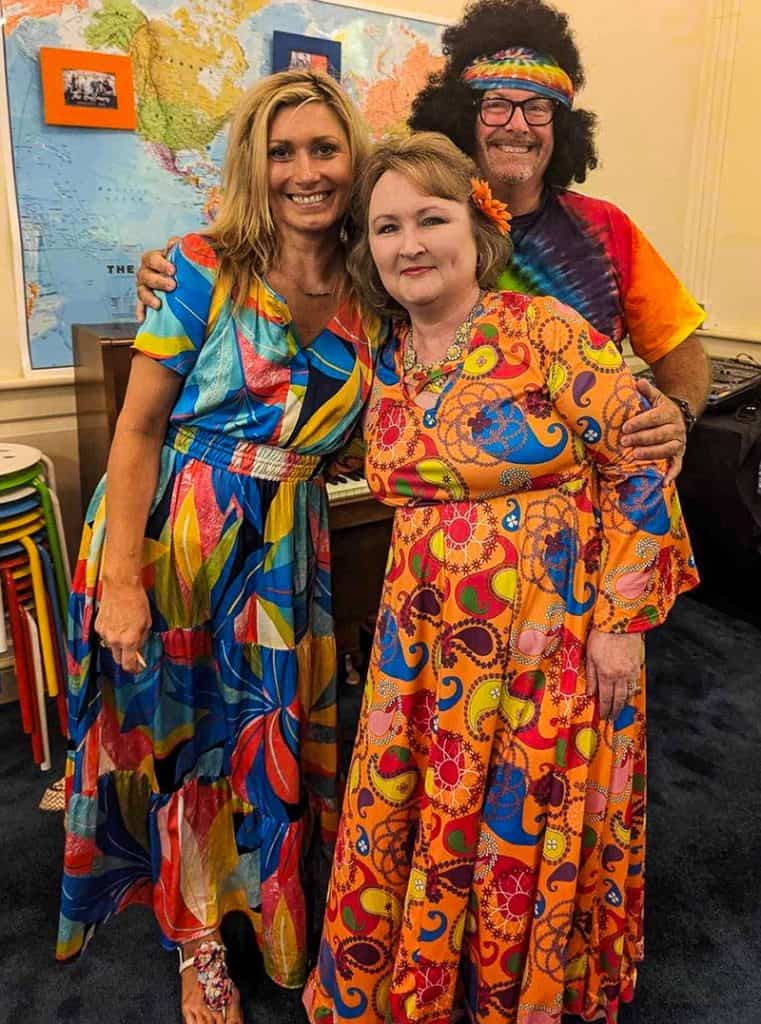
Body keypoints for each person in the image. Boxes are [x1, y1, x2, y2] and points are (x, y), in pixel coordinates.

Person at [302, 132, 698, 1024]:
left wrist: (622, 623)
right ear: (365, 248)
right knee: (423, 806)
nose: (410, 243)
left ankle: (514, 994)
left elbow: (639, 464)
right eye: (386, 226)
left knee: (523, 814)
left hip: (549, 640)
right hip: (422, 639)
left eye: (430, 218)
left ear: (476, 228)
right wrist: (166, 268)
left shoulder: (545, 330)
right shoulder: (379, 354)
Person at [57, 70, 384, 1024]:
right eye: (281, 152)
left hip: (287, 545)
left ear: (353, 159)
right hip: (177, 531)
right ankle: (198, 938)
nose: (304, 171)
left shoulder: (373, 289)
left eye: (324, 149)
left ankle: (272, 907)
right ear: (253, 164)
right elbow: (137, 430)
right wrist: (121, 579)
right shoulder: (203, 264)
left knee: (268, 737)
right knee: (187, 744)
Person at [409, 0, 711, 482]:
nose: (517, 124)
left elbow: (681, 348)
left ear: (563, 125)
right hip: (462, 509)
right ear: (463, 117)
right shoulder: (417, 229)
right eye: (496, 104)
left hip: (595, 505)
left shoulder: (608, 228)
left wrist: (678, 412)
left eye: (538, 107)